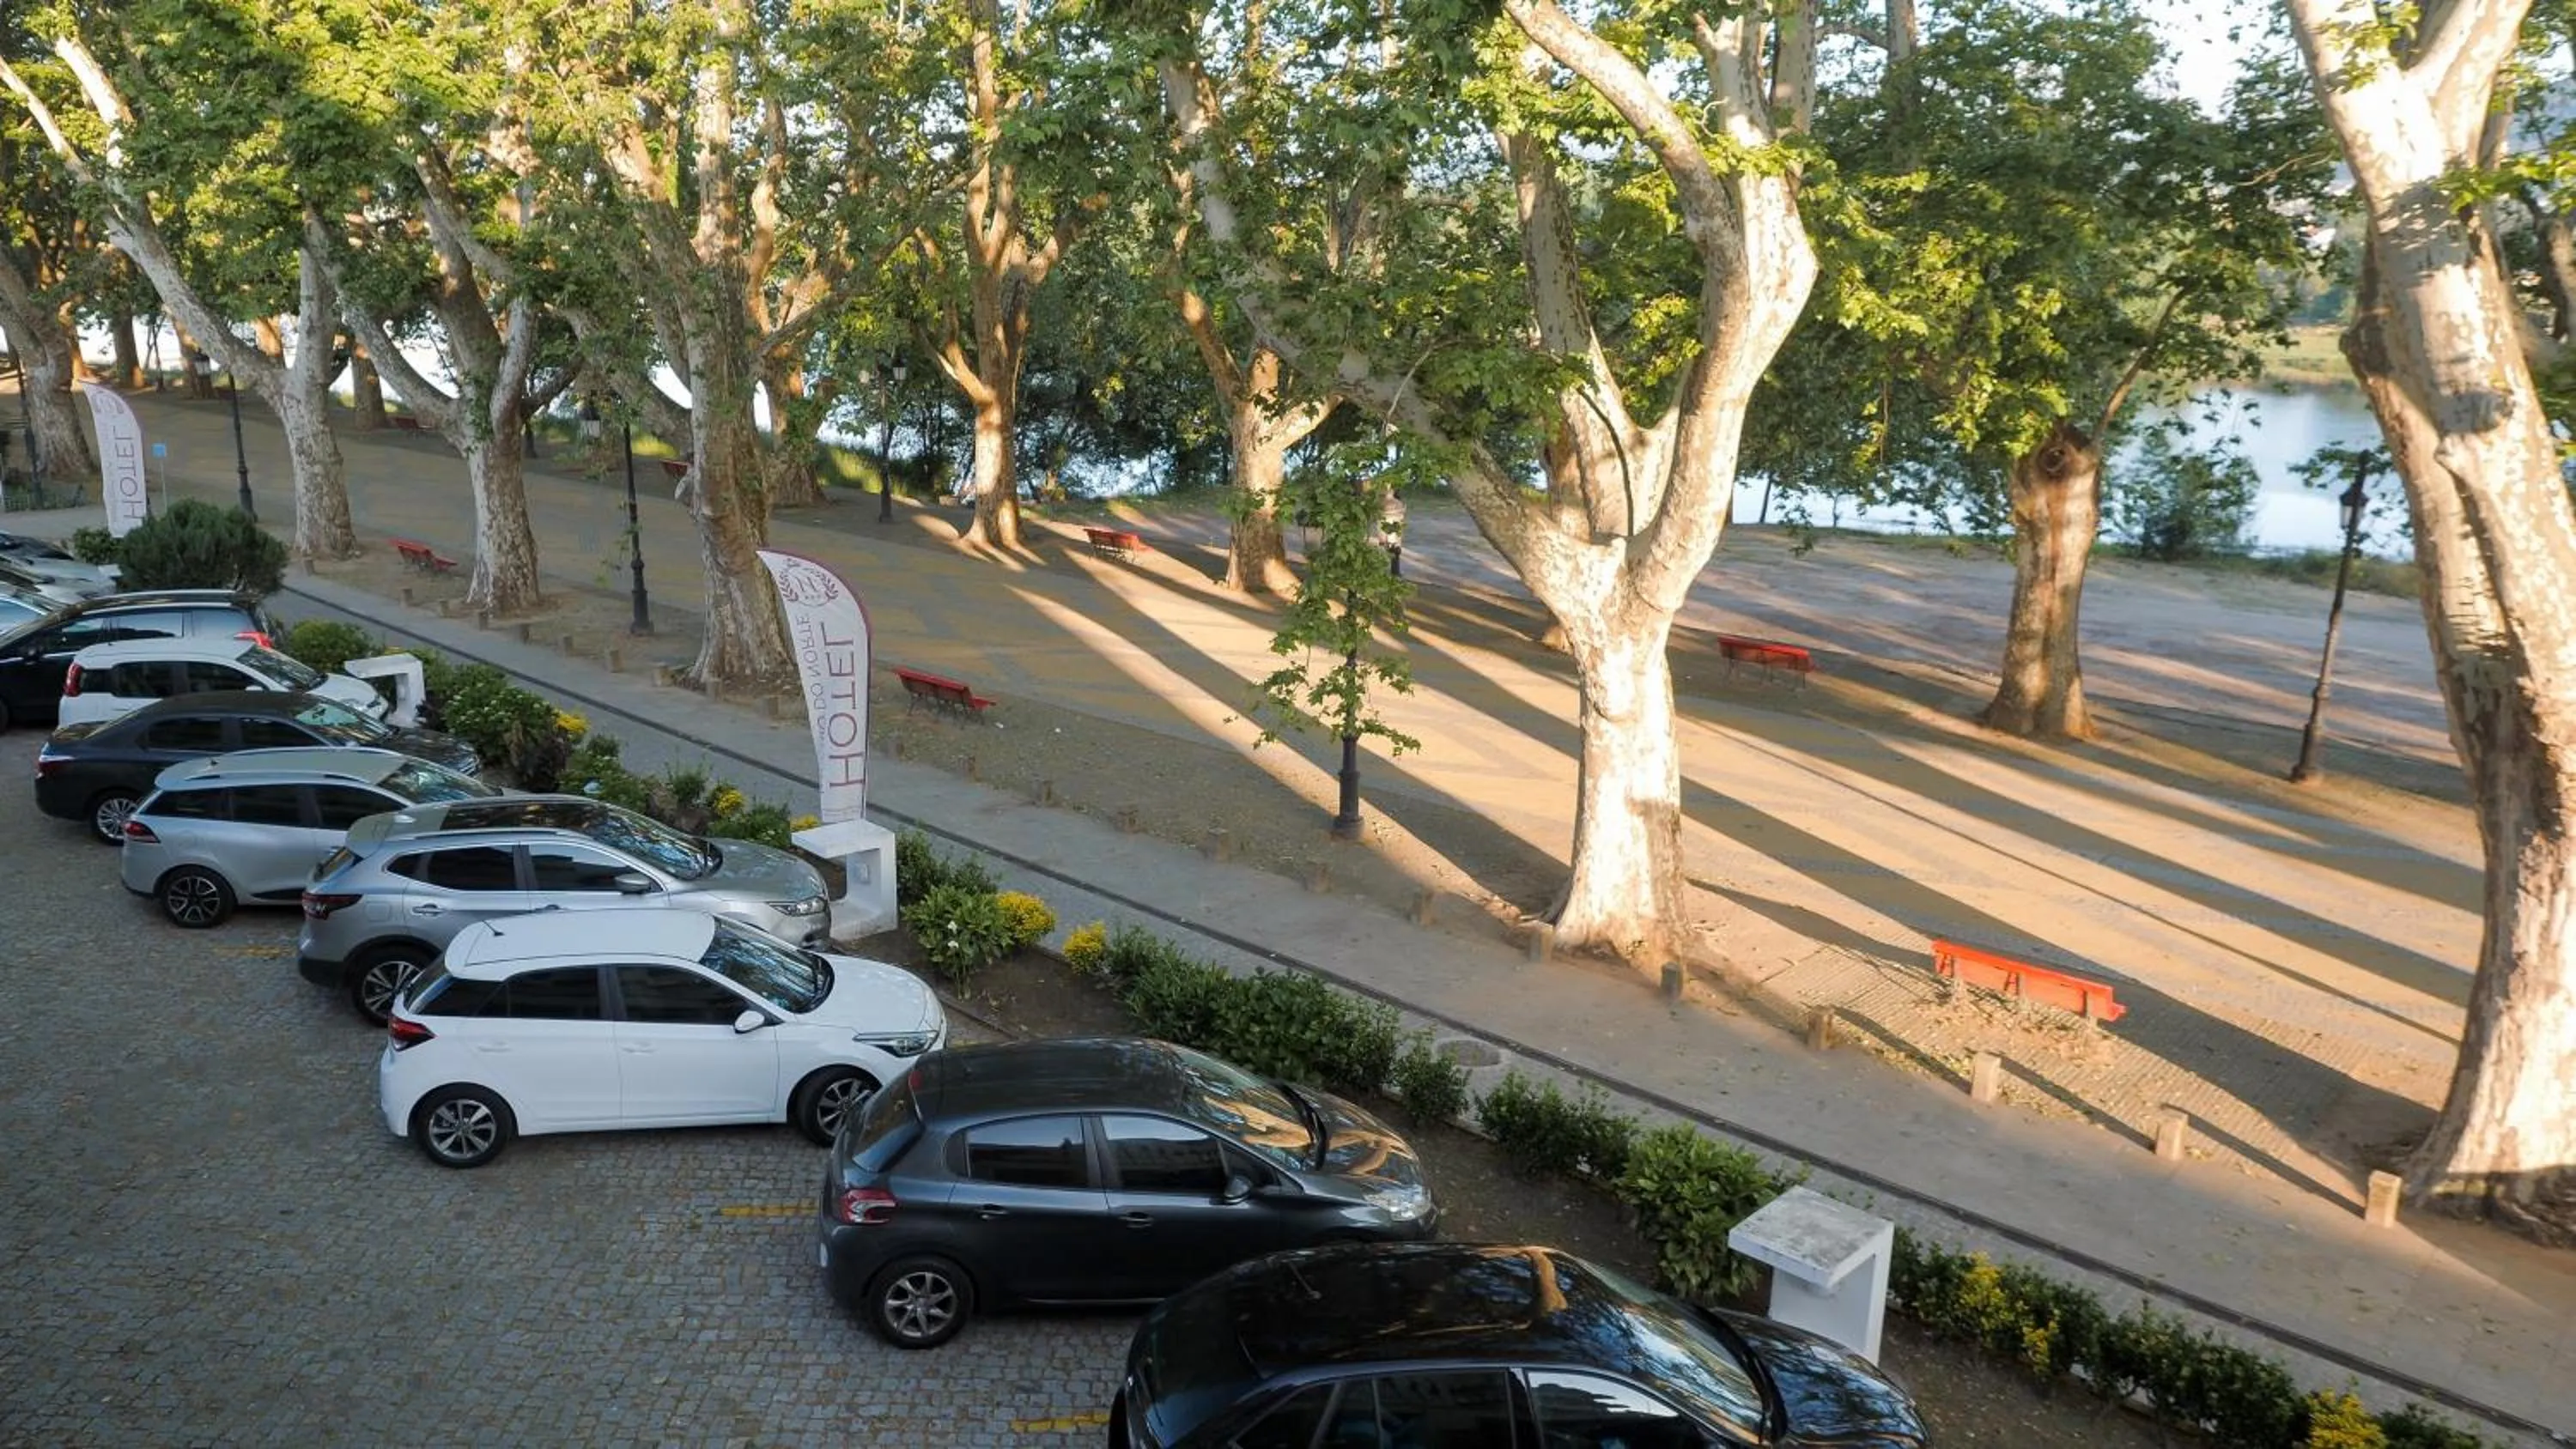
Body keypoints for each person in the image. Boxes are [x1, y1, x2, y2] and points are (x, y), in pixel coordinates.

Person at [1378, 486, 1407, 578]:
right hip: (1393, 532)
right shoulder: (1399, 503)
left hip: (1387, 531)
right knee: (1394, 549)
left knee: (1388, 549)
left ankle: (1390, 572)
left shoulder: (1382, 503)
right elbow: (1402, 516)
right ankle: (1394, 572)